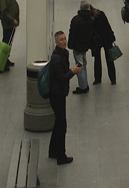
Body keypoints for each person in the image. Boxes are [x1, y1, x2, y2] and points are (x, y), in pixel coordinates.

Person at [48, 30, 80, 165]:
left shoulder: (62, 54)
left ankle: (53, 151)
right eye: (61, 39)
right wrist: (72, 71)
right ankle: (61, 156)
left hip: (59, 93)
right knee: (62, 125)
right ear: (56, 42)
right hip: (57, 94)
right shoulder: (57, 58)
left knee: (58, 123)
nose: (64, 41)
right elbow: (61, 77)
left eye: (65, 39)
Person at [67, 0, 95, 93]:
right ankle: (85, 84)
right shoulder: (90, 19)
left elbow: (73, 34)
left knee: (79, 67)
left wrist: (70, 45)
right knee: (84, 65)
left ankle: (83, 87)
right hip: (85, 46)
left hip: (77, 47)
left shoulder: (76, 20)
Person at [0, 0, 26, 67]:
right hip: (8, 24)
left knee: (9, 42)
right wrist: (12, 20)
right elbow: (4, 12)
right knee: (6, 42)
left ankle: (6, 58)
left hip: (11, 24)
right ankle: (2, 61)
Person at [89, 3, 117, 85]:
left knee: (97, 59)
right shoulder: (101, 14)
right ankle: (113, 79)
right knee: (109, 59)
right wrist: (112, 37)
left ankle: (97, 79)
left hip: (97, 41)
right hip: (106, 39)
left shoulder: (88, 18)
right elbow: (107, 26)